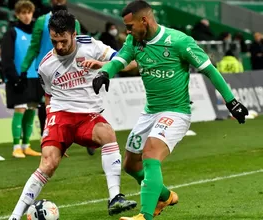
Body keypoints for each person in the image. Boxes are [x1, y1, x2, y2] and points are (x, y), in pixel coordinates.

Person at [92, 1, 249, 220]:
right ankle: (164, 196)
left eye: (130, 26)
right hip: (150, 112)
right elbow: (119, 60)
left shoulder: (179, 41)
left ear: (144, 20)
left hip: (176, 112)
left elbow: (209, 70)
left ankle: (144, 215)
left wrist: (232, 102)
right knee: (130, 164)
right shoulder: (134, 40)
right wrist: (105, 73)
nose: (126, 32)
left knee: (150, 153)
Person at [8, 10, 137, 220]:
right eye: (54, 41)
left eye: (63, 41)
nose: (59, 46)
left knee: (108, 134)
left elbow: (129, 63)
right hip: (61, 115)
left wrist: (102, 65)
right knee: (48, 163)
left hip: (88, 115)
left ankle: (115, 198)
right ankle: (14, 217)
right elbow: (48, 98)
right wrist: (48, 130)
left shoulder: (92, 47)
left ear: (73, 34)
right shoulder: (46, 66)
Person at [20, 0, 84, 153]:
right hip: (46, 71)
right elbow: (34, 46)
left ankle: (85, 136)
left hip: (69, 70)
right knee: (45, 105)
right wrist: (24, 68)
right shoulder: (42, 21)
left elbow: (80, 45)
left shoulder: (74, 22)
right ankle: (47, 139)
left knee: (77, 103)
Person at [1, 0, 42, 158]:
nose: (26, 16)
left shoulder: (35, 34)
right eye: (23, 13)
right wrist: (13, 78)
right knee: (20, 110)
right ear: (17, 14)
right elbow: (6, 58)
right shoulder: (11, 32)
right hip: (18, 78)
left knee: (31, 111)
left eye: (29, 13)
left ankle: (26, 145)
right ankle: (16, 146)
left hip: (34, 77)